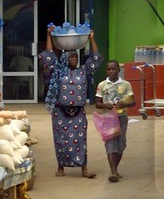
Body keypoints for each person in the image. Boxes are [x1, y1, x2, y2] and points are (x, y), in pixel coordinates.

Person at [46, 49, 96, 178]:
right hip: (60, 112)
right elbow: (49, 56)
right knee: (60, 140)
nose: (75, 59)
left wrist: (91, 39)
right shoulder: (58, 71)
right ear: (65, 58)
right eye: (71, 57)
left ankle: (84, 168)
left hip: (78, 112)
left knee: (81, 140)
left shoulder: (83, 71)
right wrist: (49, 37)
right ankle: (60, 167)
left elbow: (95, 58)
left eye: (76, 57)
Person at [94, 59, 134, 182]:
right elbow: (97, 103)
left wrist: (124, 104)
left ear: (118, 70)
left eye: (114, 69)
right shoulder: (102, 85)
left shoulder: (126, 84)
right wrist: (105, 105)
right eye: (109, 69)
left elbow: (133, 102)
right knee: (110, 144)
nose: (111, 71)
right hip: (108, 118)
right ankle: (113, 172)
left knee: (121, 144)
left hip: (122, 117)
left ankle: (115, 169)